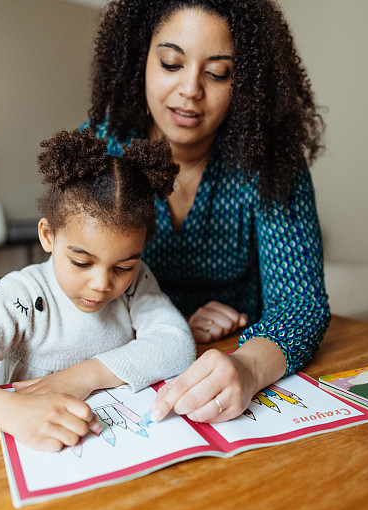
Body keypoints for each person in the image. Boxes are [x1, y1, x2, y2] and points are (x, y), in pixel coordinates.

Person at [85, 0, 330, 424]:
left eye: (218, 73)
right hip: (128, 374)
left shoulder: (270, 164)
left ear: (248, 83)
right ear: (140, 59)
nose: (191, 90)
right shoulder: (103, 152)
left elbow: (301, 304)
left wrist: (249, 365)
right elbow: (73, 292)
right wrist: (175, 328)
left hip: (237, 368)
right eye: (171, 63)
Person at [0, 129, 196, 452]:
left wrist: (83, 377)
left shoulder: (137, 284)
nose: (102, 284)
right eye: (81, 262)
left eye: (122, 267)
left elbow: (178, 344)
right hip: (26, 450)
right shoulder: (21, 296)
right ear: (48, 236)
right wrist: (15, 412)